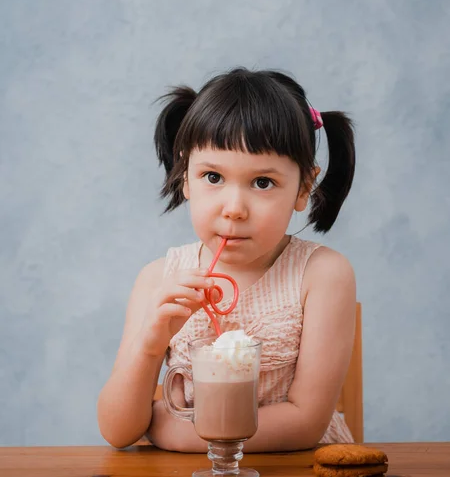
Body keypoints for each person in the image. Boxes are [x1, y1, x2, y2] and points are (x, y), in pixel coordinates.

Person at [97, 67, 357, 451]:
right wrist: (149, 346)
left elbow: (305, 423)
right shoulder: (158, 280)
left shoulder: (322, 275)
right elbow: (118, 431)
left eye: (263, 182)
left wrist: (171, 430)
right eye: (213, 177)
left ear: (304, 188)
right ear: (185, 175)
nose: (234, 209)